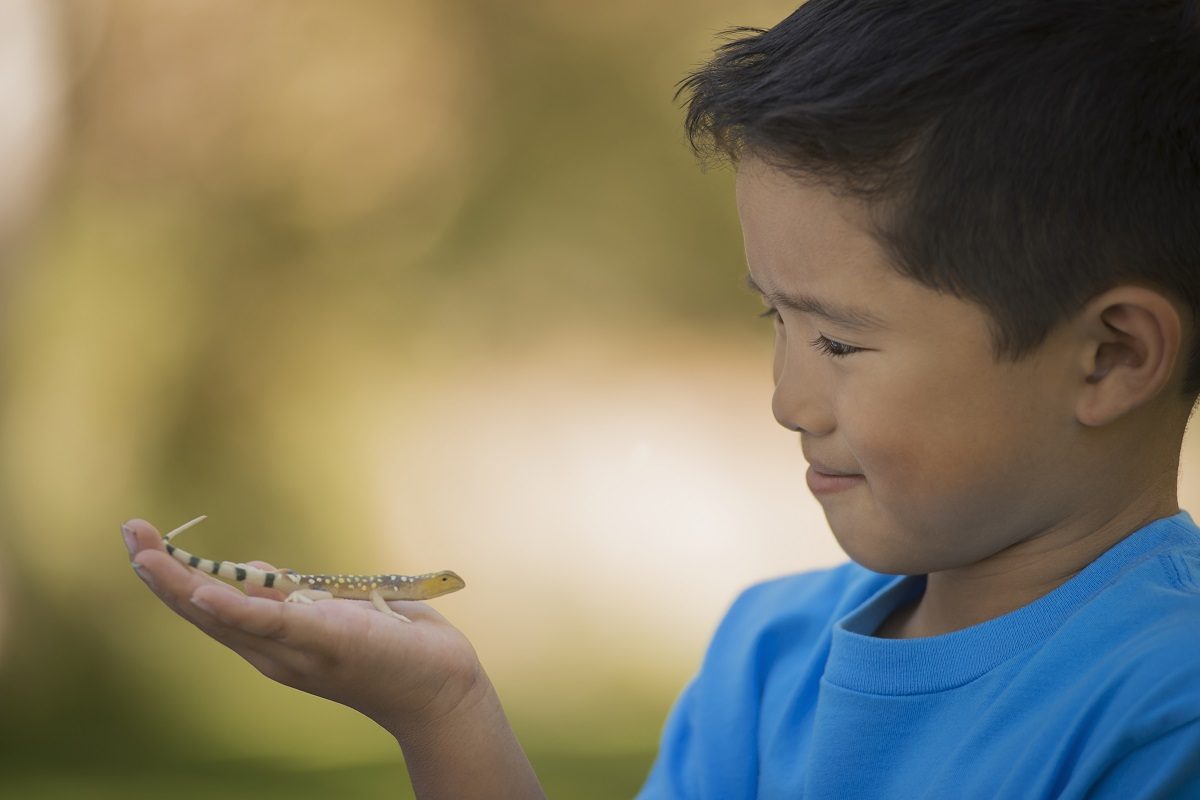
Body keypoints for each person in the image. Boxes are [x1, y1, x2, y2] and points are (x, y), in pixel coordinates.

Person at [124, 1, 1200, 797]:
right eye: (769, 319)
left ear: (1109, 356)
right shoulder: (767, 652)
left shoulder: (1164, 711)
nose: (787, 398)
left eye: (835, 337)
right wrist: (440, 708)